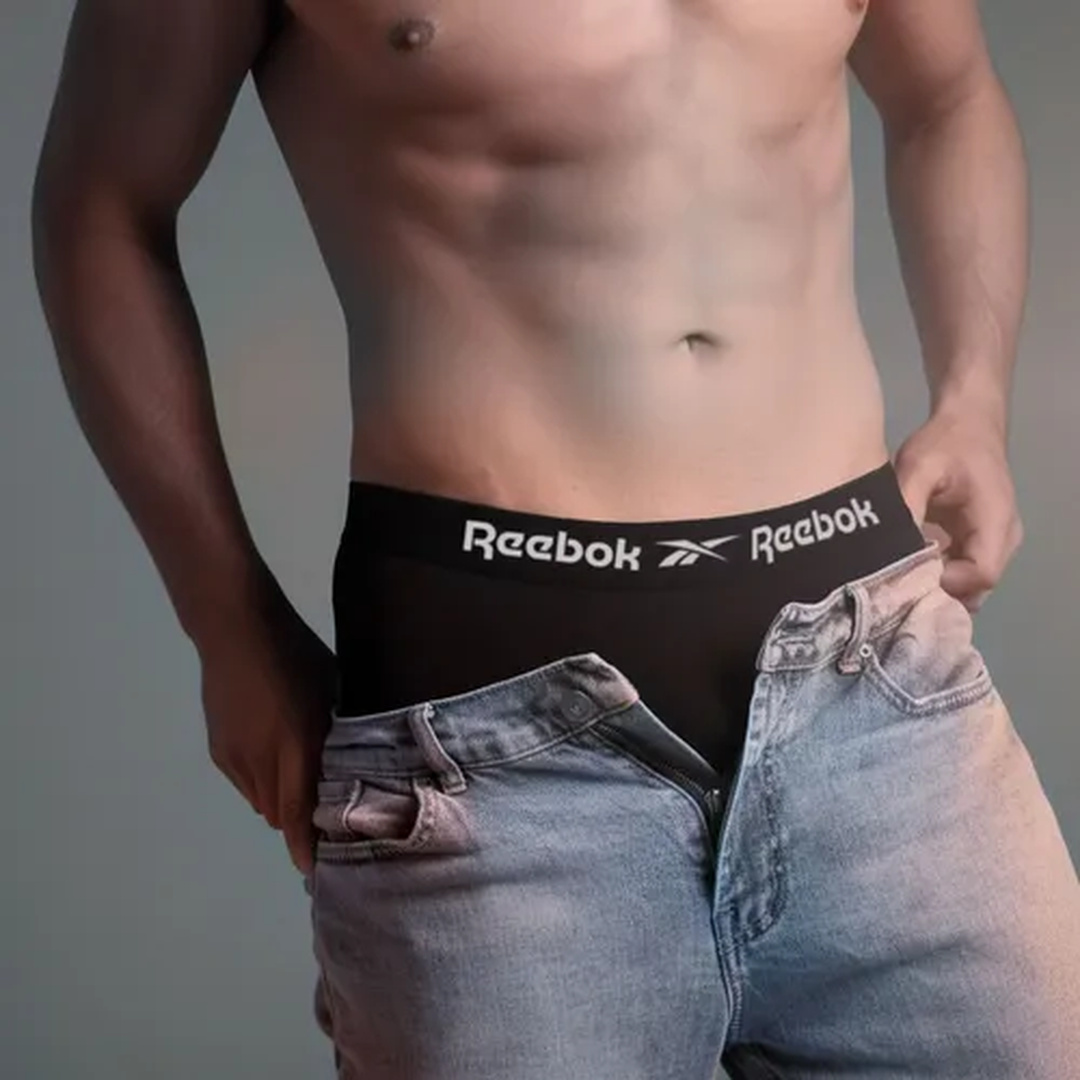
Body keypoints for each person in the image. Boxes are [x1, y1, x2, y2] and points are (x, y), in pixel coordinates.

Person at [30, 0, 1080, 1076]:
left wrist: (974, 400)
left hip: (879, 690)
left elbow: (949, 92)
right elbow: (101, 207)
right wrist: (229, 627)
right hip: (487, 755)